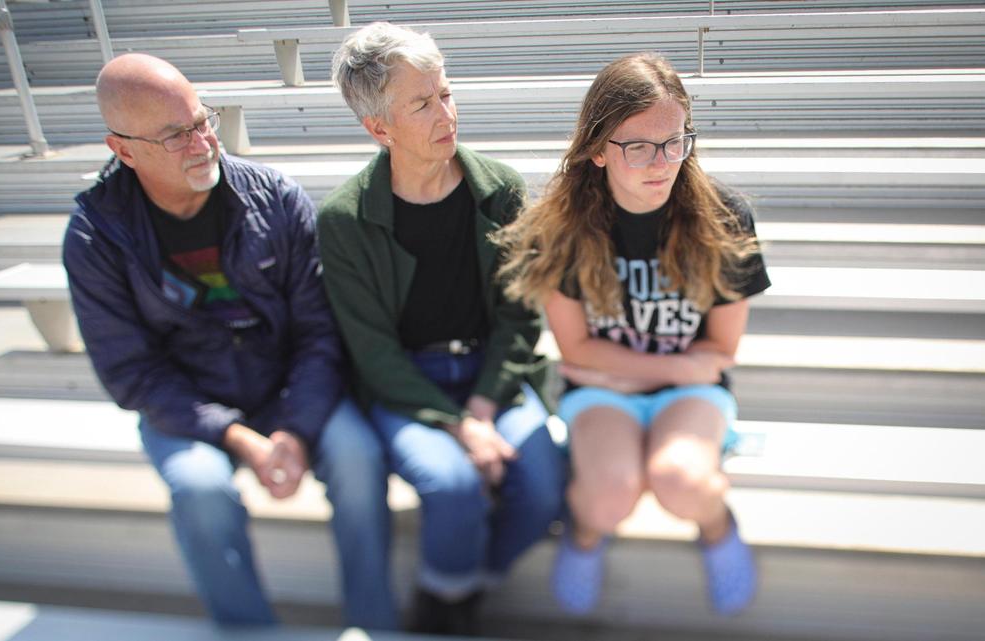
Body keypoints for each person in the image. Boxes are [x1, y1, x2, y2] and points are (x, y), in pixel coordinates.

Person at [62, 53, 397, 629]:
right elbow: (131, 373)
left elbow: (320, 332)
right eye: (175, 136)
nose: (202, 143)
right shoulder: (97, 236)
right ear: (123, 150)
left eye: (202, 121)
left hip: (288, 390)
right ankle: (249, 631)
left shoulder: (274, 196)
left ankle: (373, 624)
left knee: (358, 456)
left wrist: (293, 430)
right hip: (189, 404)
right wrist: (240, 439)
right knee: (198, 488)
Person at [495, 52, 770, 617]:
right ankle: (587, 536)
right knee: (608, 495)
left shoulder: (723, 216)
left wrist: (621, 368)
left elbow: (721, 350)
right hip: (606, 393)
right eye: (638, 146)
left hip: (689, 394)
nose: (662, 162)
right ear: (598, 149)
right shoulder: (565, 227)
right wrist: (669, 367)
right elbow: (576, 351)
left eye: (674, 141)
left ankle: (717, 528)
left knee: (680, 480)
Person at [319, 22, 565, 635]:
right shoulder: (344, 219)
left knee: (542, 486)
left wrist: (481, 410)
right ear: (379, 128)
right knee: (452, 484)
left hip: (493, 373)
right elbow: (372, 353)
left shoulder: (501, 189)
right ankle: (446, 613)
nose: (446, 113)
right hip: (408, 386)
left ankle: (456, 585)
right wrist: (457, 426)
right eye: (423, 103)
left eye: (447, 93)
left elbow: (520, 312)